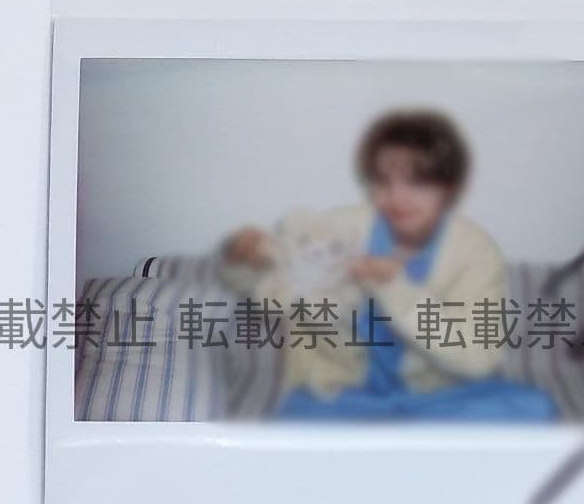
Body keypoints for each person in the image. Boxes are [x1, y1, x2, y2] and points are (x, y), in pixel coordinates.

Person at [218, 109, 559, 422]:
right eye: (383, 182)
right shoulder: (339, 228)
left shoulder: (476, 250)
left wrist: (394, 288)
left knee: (534, 411)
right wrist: (242, 258)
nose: (397, 198)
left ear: (449, 188)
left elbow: (479, 358)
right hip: (341, 398)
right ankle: (400, 449)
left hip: (440, 398)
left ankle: (393, 449)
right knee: (296, 431)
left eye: (417, 182)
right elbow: (272, 279)